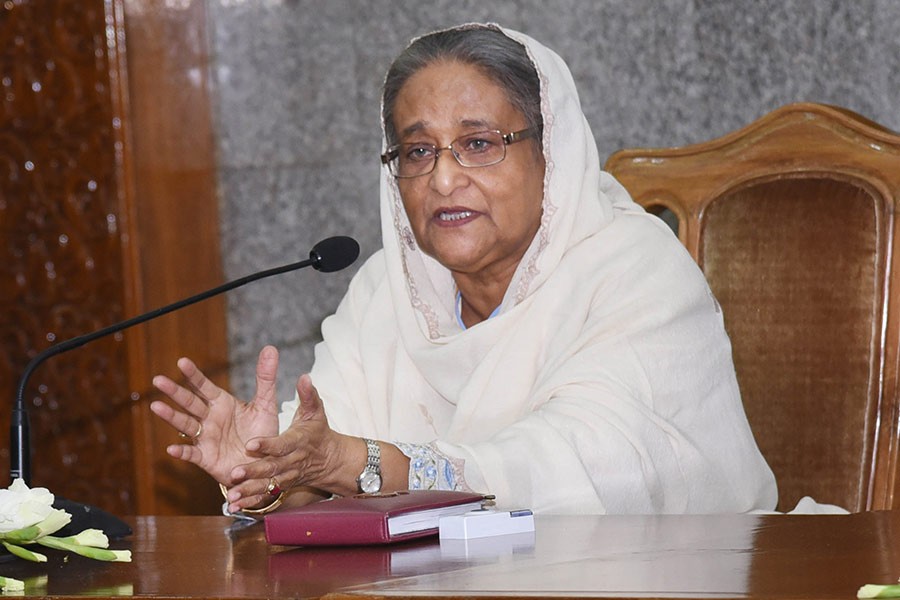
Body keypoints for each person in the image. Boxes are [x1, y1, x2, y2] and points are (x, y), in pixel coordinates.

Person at [150, 23, 777, 516]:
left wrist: (360, 463)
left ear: (551, 153)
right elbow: (321, 455)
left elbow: (587, 472)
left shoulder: (635, 270)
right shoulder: (387, 290)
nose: (443, 178)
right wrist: (270, 469)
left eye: (479, 144)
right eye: (418, 151)